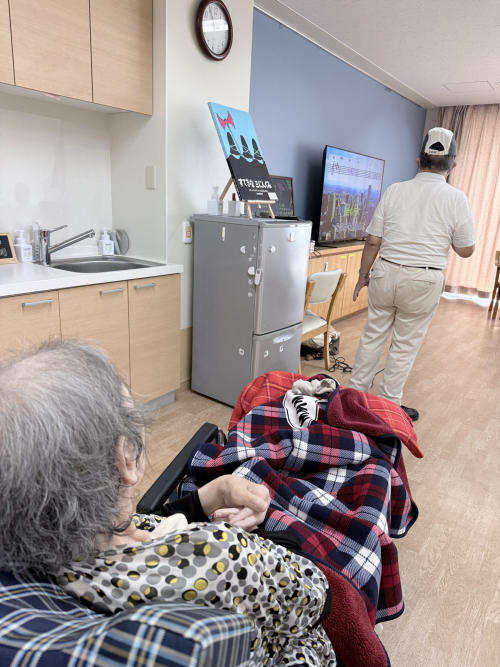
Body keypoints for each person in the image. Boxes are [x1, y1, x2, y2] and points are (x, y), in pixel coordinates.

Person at [0, 340, 335, 667]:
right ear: (126, 459)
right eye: (132, 416)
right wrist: (261, 542)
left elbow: (137, 535)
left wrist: (207, 498)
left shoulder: (51, 559)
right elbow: (318, 597)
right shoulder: (221, 555)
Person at [348, 127, 475, 420]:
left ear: (418, 161)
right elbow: (466, 250)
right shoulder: (457, 198)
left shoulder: (395, 190)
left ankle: (353, 400)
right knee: (404, 346)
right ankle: (387, 408)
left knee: (372, 336)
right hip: (423, 280)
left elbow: (373, 241)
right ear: (453, 166)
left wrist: (363, 275)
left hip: (385, 272)